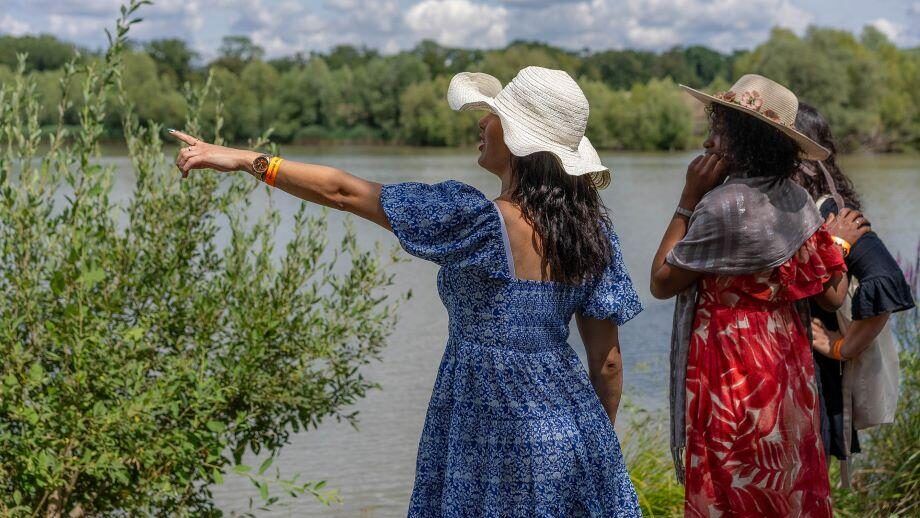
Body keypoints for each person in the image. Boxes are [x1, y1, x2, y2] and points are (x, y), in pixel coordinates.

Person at [170, 66, 643, 516]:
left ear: (521, 143)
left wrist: (245, 160)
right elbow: (608, 363)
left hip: (487, 425)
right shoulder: (593, 235)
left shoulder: (477, 221)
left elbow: (343, 192)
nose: (483, 122)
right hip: (571, 427)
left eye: (495, 116)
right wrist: (594, 448)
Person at [649, 74, 850, 517]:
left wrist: (688, 197)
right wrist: (838, 243)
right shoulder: (799, 201)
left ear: (741, 139)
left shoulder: (720, 208)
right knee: (786, 476)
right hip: (785, 363)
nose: (707, 141)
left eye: (718, 129)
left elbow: (661, 281)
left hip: (729, 364)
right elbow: (833, 297)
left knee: (732, 479)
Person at [794, 103, 915, 482]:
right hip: (793, 377)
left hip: (816, 381)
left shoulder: (831, 213)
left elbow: (888, 281)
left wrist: (841, 346)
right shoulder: (796, 209)